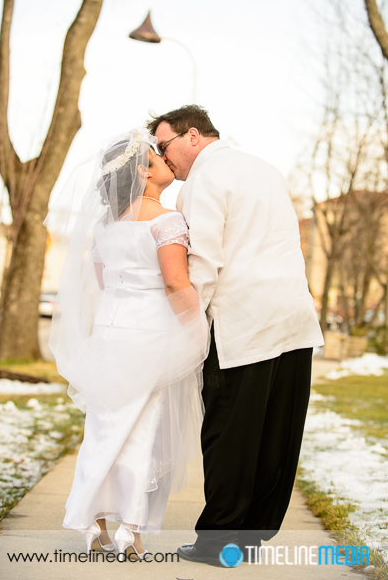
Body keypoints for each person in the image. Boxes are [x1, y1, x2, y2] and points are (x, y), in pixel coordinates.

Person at [147, 105, 325, 567]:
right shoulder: (264, 168)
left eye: (165, 148)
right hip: (292, 318)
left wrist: (186, 329)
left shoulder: (205, 178)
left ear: (192, 136)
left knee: (229, 432)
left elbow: (203, 262)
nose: (166, 161)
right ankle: (250, 539)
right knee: (275, 433)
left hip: (241, 324)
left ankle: (216, 544)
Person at [43, 128, 209, 559]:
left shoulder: (104, 226)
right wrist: (198, 326)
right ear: (143, 171)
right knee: (141, 431)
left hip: (110, 334)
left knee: (102, 428)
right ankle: (129, 528)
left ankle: (91, 520)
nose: (164, 163)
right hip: (151, 334)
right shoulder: (166, 220)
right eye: (156, 159)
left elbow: (101, 280)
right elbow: (175, 283)